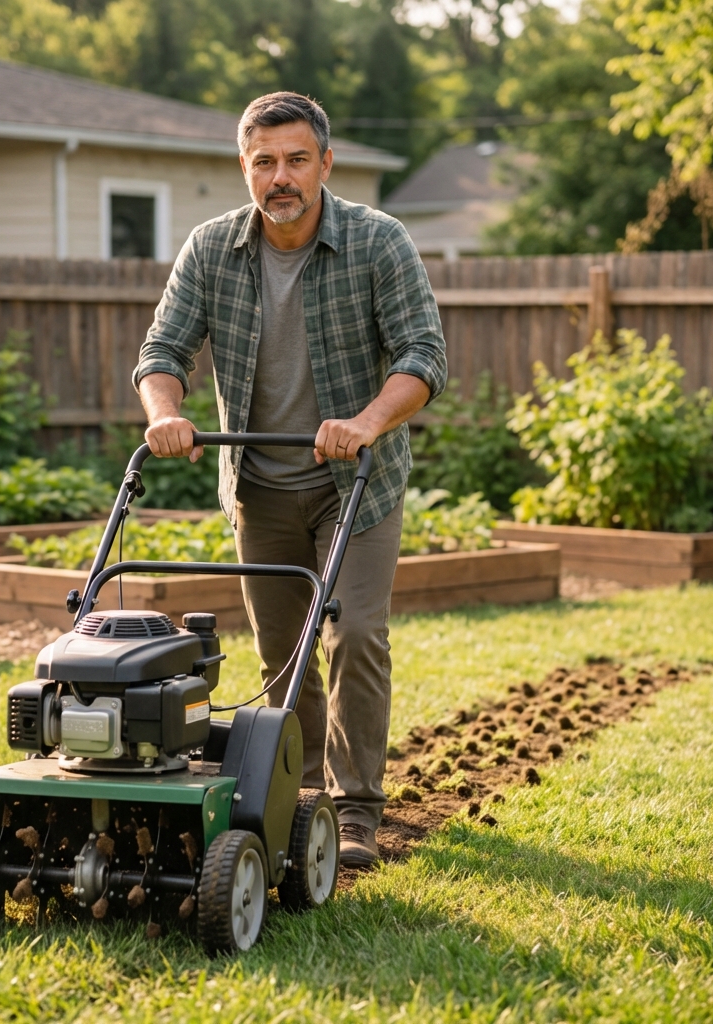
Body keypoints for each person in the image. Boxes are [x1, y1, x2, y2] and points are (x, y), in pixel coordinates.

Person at [133, 91, 447, 868]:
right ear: (245, 168)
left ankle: (359, 809)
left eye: (296, 160)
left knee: (356, 634)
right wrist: (164, 412)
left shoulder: (378, 243)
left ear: (325, 164)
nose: (282, 177)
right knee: (284, 654)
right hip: (258, 486)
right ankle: (301, 801)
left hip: (356, 485)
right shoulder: (211, 250)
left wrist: (366, 422)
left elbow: (423, 357)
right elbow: (161, 353)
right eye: (264, 161)